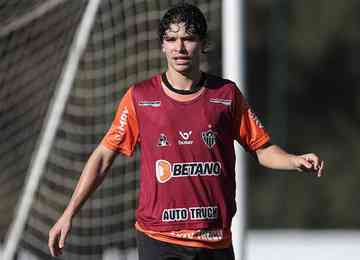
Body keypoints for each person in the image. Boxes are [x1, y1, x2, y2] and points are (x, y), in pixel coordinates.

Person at [48, 3, 324, 259]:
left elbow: (261, 149)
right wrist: (68, 213)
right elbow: (102, 157)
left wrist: (293, 161)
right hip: (159, 239)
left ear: (202, 44)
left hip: (214, 240)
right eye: (171, 39)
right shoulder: (140, 98)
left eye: (189, 38)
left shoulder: (226, 95)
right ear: (162, 46)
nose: (180, 47)